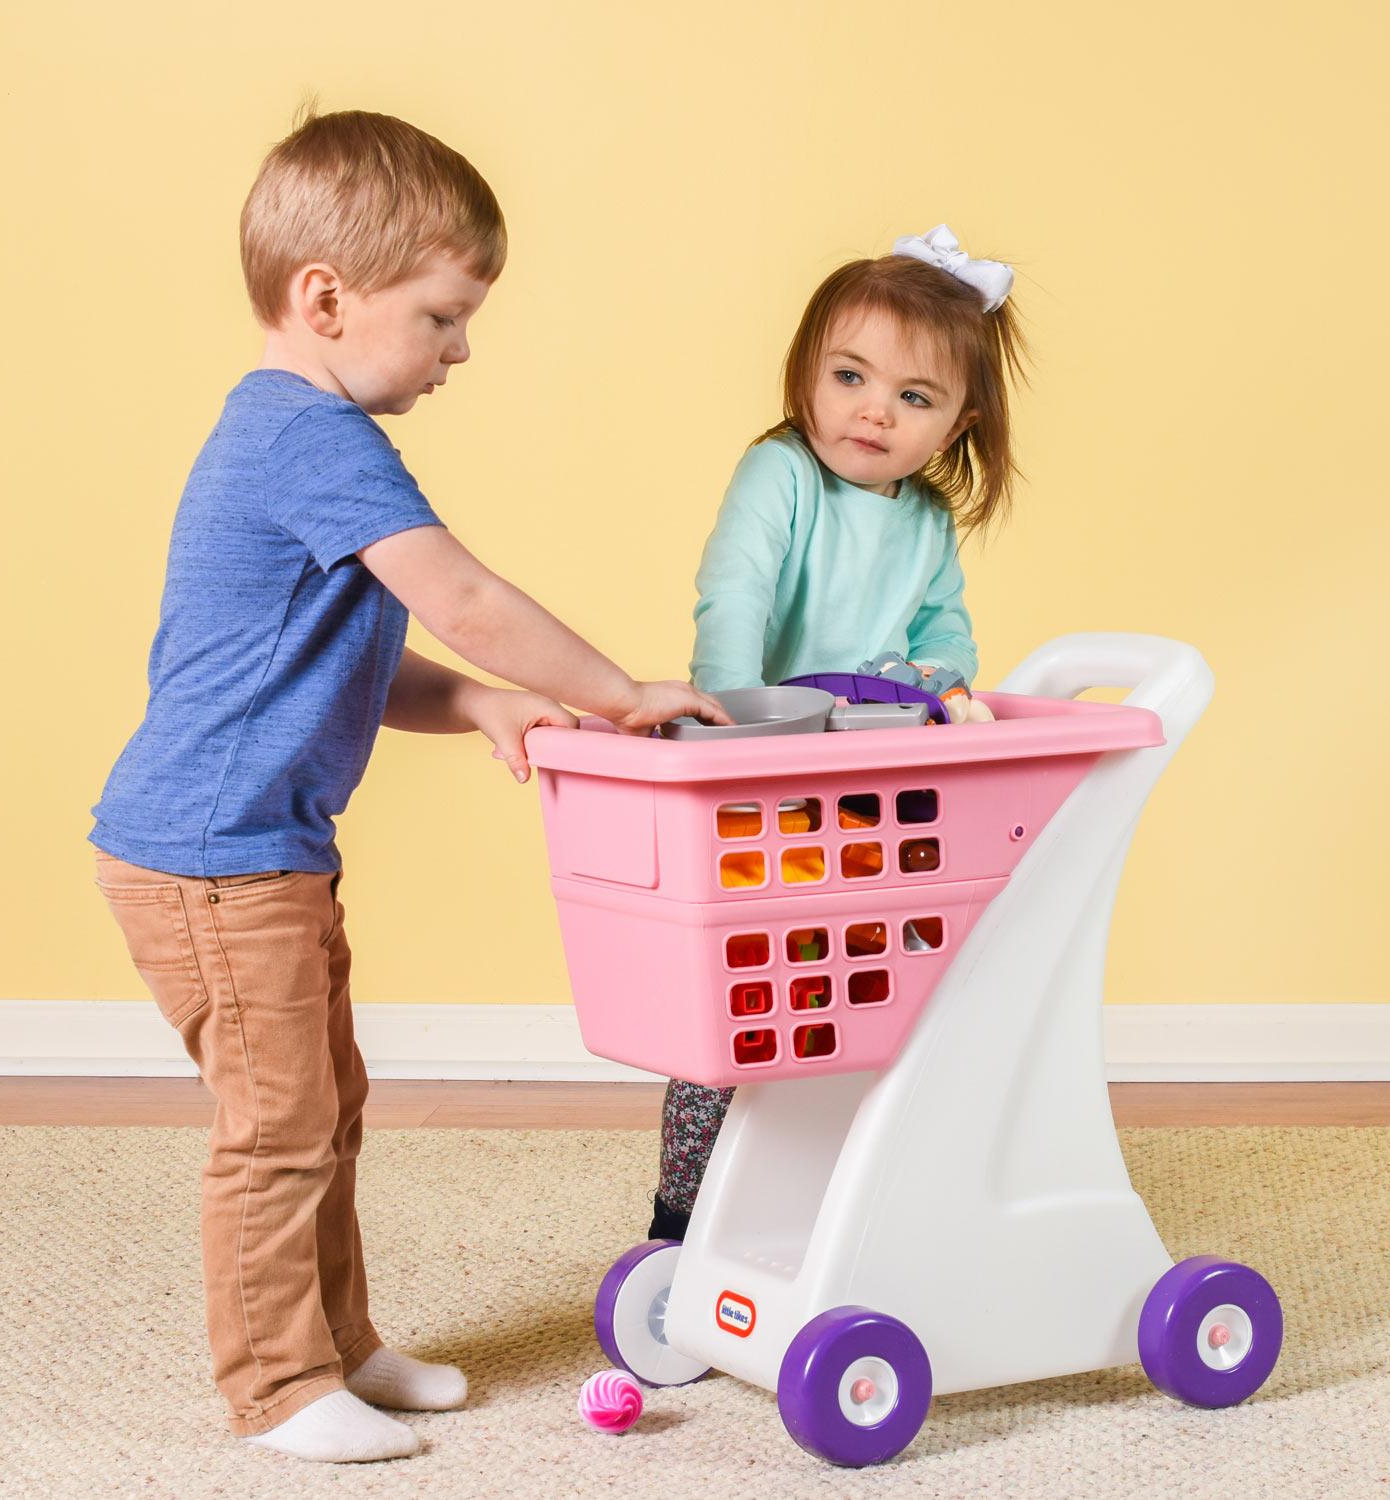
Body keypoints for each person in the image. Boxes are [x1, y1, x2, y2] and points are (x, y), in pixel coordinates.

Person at [90, 106, 725, 1464]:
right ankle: (275, 1386)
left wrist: (484, 703)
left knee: (329, 1104)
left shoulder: (302, 442)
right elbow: (466, 598)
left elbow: (351, 666)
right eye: (441, 316)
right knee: (277, 1128)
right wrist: (616, 692)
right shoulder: (308, 442)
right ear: (327, 298)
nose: (462, 349)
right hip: (210, 856)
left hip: (265, 848)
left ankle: (339, 1344)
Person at [649, 224, 1027, 1241]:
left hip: (871, 772)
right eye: (852, 376)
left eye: (915, 397)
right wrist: (729, 709)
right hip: (765, 766)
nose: (875, 410)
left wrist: (944, 686)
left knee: (874, 970)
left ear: (956, 425)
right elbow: (735, 588)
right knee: (743, 987)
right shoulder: (779, 475)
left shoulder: (926, 521)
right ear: (805, 376)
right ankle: (681, 1213)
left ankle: (852, 1190)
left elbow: (944, 630)